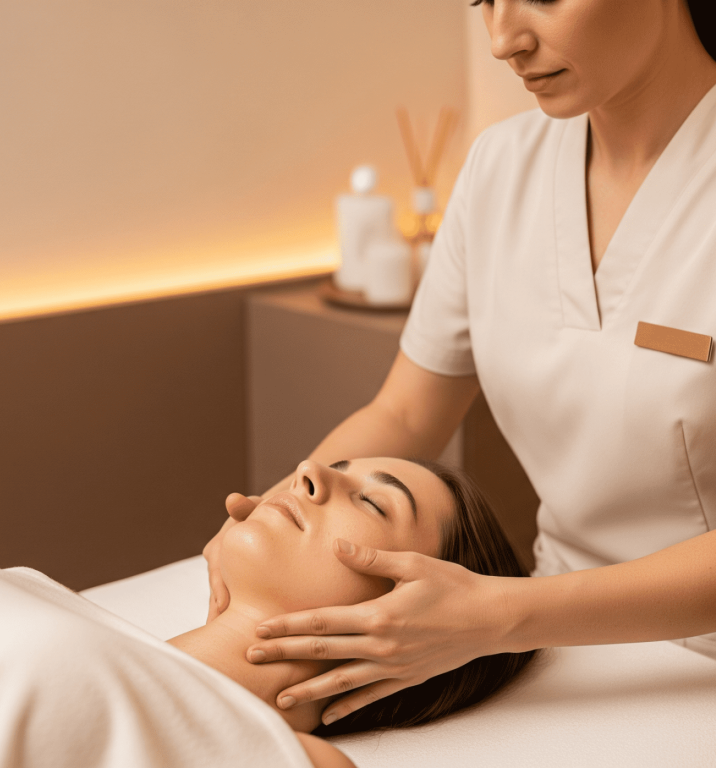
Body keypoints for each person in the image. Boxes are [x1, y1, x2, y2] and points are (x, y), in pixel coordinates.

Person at [204, 0, 716, 730]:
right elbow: (407, 413)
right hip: (549, 639)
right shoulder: (501, 168)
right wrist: (274, 514)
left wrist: (501, 615)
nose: (506, 39)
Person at [0, 458, 536, 768]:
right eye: (337, 464)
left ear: (412, 618)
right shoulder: (52, 600)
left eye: (373, 502)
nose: (310, 470)